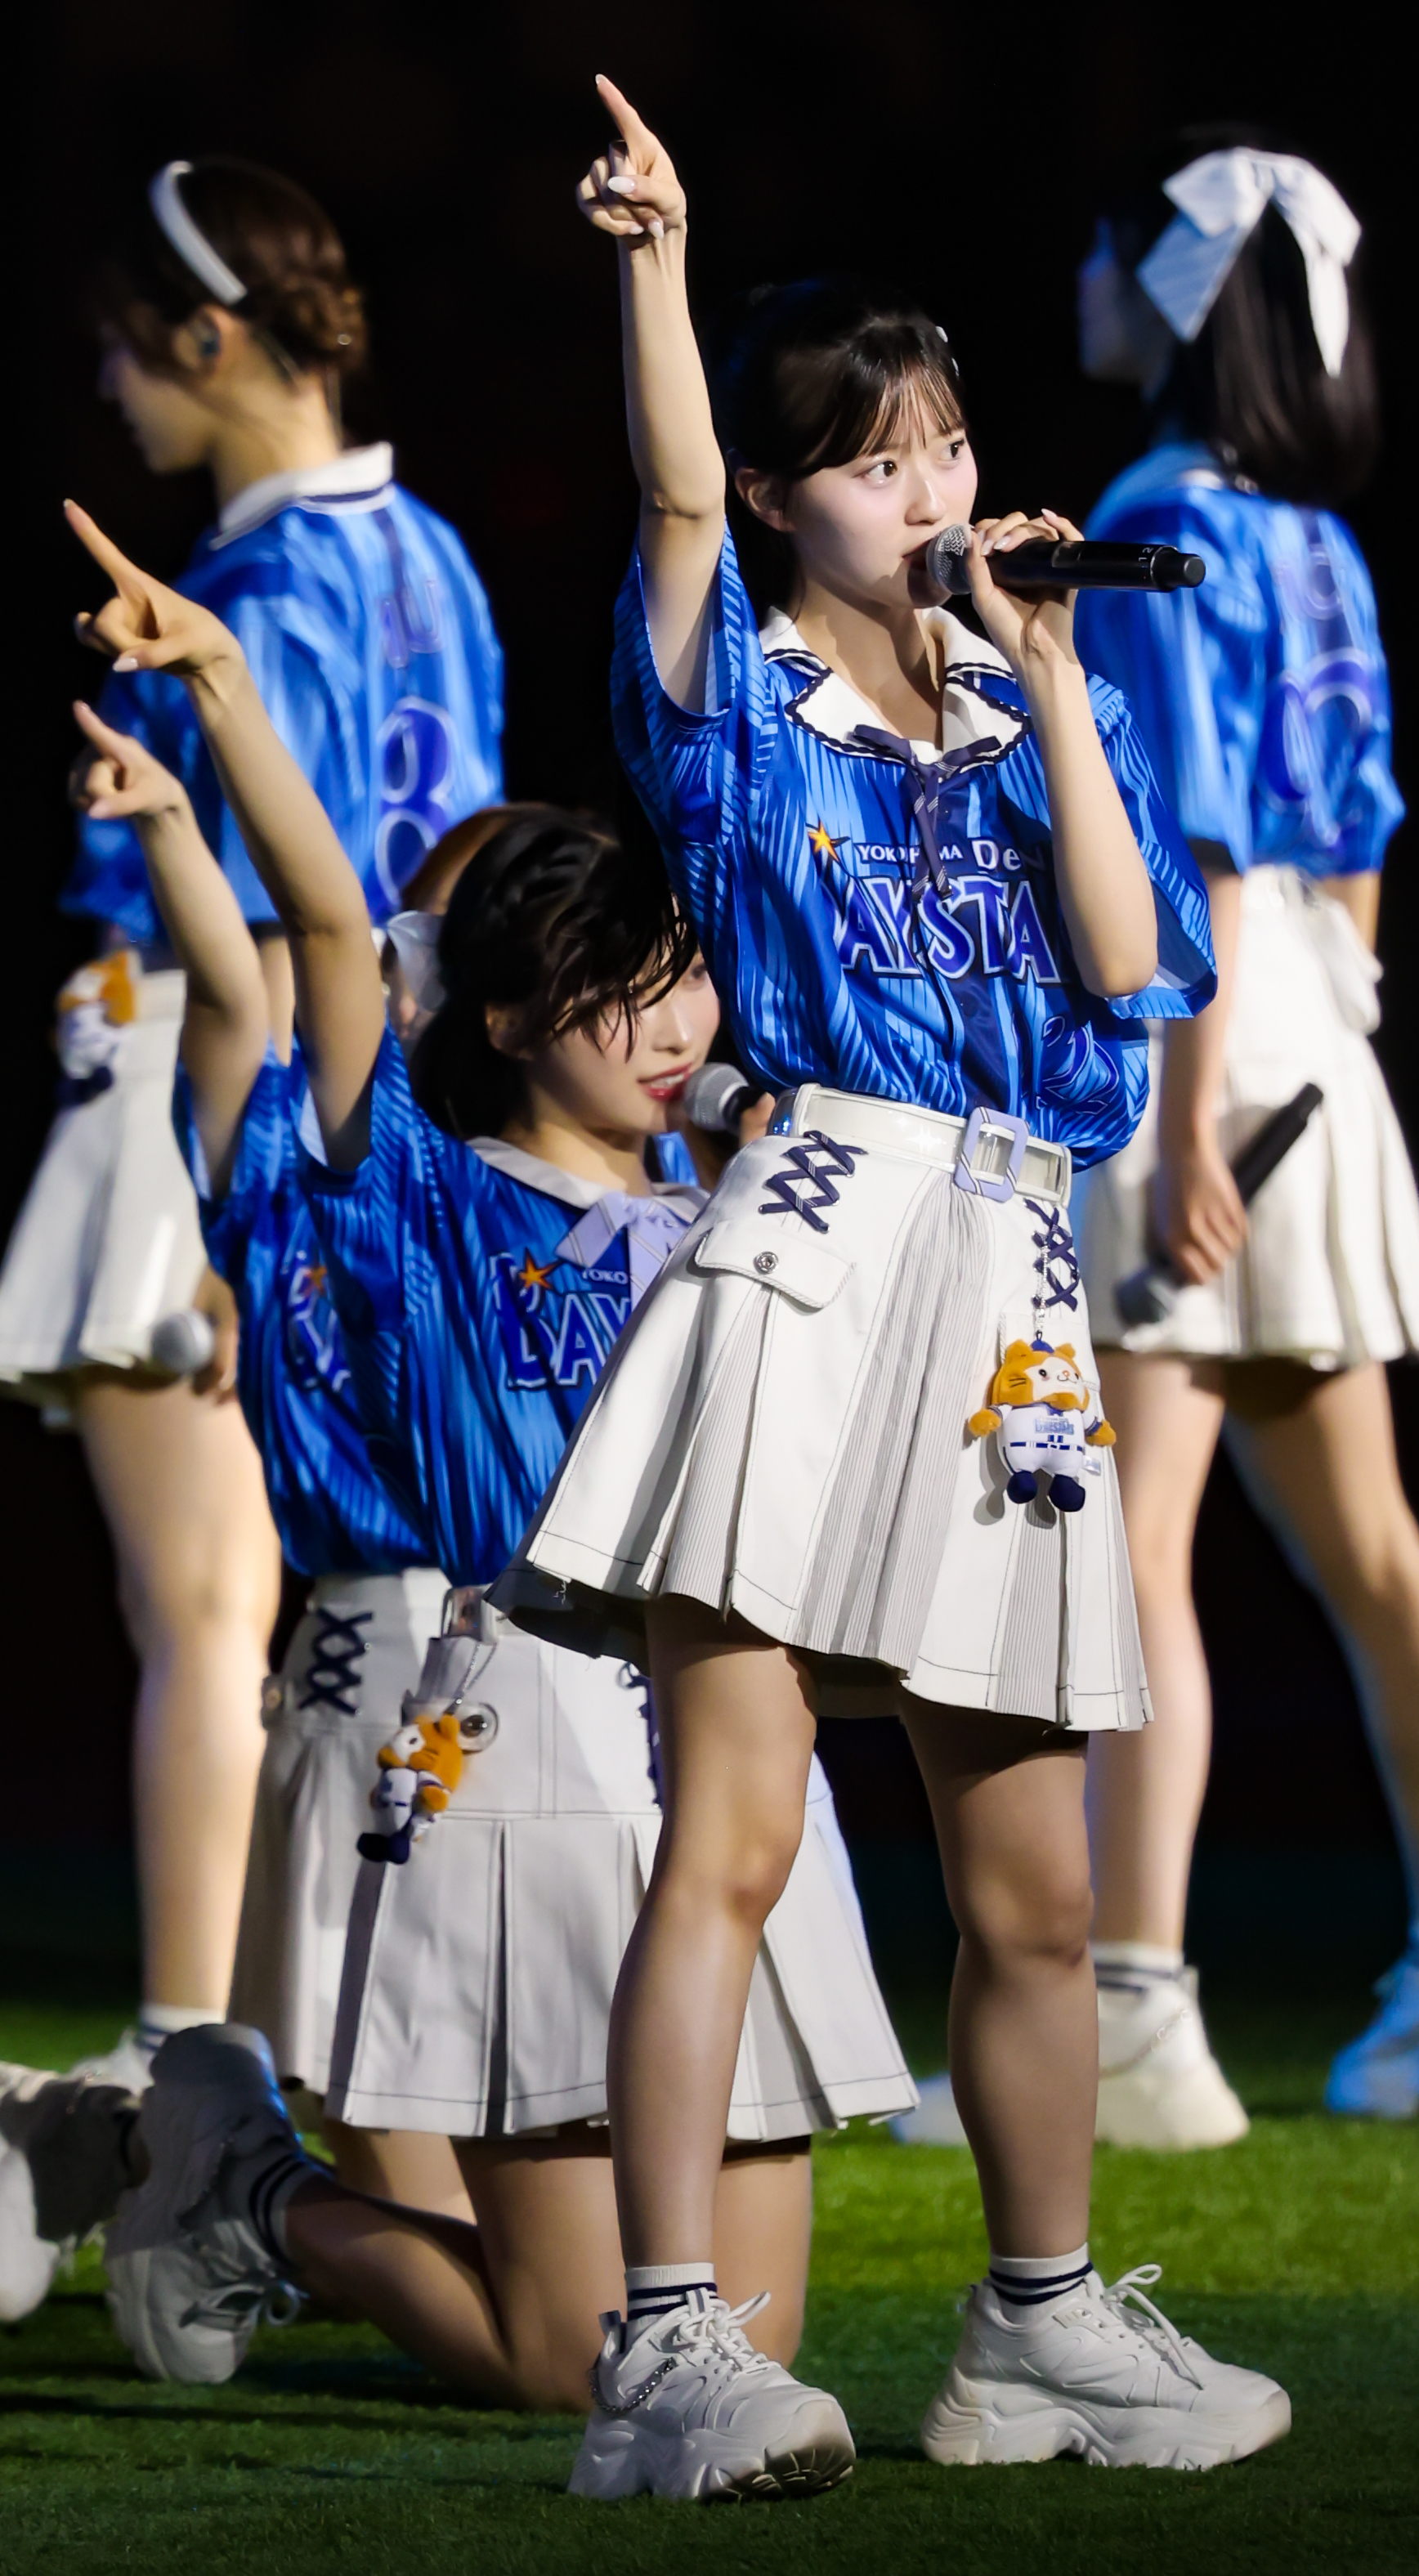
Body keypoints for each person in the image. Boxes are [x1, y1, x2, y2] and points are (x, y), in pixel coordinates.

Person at [483, 78, 1288, 2499]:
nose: (925, 490)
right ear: (785, 488)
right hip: (821, 1254)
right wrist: (657, 258)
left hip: (1013, 1282)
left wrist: (1041, 673)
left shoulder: (1030, 708)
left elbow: (1127, 973)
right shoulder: (732, 696)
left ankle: (1034, 2325)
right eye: (869, 458)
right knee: (727, 1831)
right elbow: (661, 493)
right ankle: (661, 2353)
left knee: (1034, 1887)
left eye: (945, 445)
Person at [53, 528, 914, 2408]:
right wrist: (217, 694)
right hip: (515, 1749)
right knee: (572, 2364)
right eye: (629, 989)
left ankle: (229, 2172)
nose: (679, 1022)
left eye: (688, 978)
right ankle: (241, 2186)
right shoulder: (425, 1197)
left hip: (726, 1750)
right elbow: (314, 935)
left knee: (752, 2356)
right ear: (509, 1017)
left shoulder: (739, 1202)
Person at [1069, 135, 1419, 2142]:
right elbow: (1352, 849)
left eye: (1107, 256)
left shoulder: (1148, 516)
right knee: (1371, 1549)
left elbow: (1172, 831)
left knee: (1134, 1552)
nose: (1083, 282)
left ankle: (1129, 2010)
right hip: (1317, 1029)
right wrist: (1306, 1061)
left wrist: (1189, 1114)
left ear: (1177, 293)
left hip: (1193, 1031)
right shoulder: (1317, 543)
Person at [0, 158, 504, 2088]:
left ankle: (183, 2074)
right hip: (397, 1102)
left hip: (218, 1094)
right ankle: (304, 2049)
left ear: (209, 337)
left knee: (212, 1610)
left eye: (127, 349)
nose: (112, 389)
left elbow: (287, 927)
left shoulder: (255, 585)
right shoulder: (436, 554)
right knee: (329, 1614)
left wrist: (244, 1213)